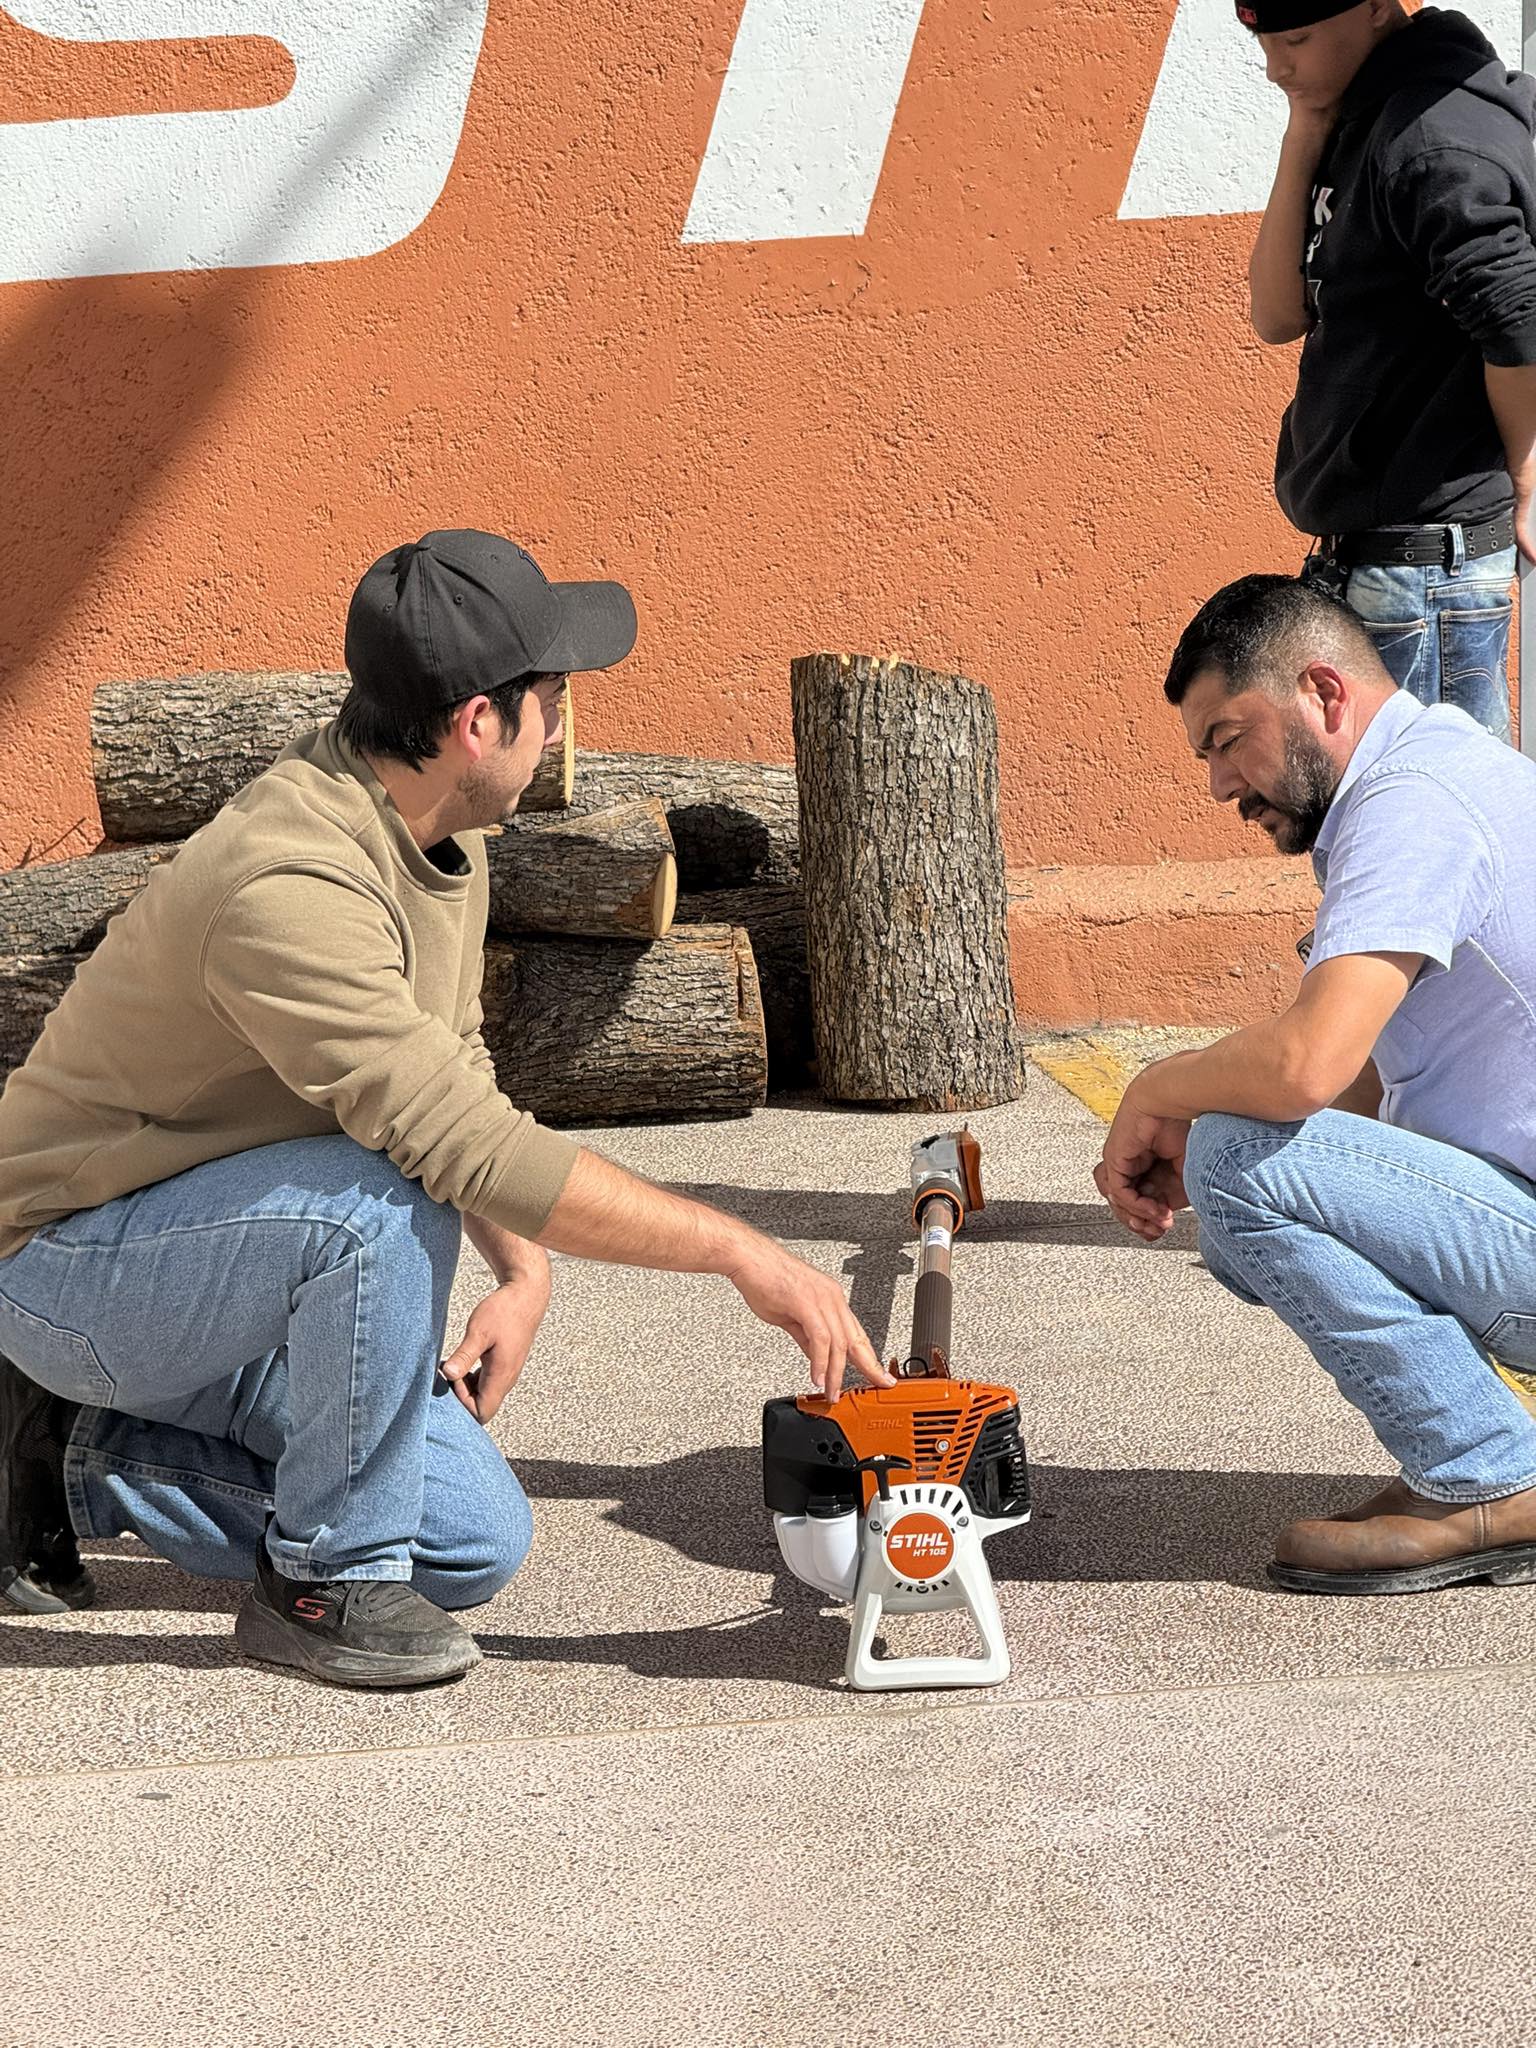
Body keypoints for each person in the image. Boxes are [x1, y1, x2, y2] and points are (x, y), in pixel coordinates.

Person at [0, 529, 888, 1686]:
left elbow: (450, 1063)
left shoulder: (436, 830)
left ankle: (71, 1458)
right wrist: (739, 1252)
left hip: (220, 1261)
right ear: (479, 721)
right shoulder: (289, 885)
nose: (563, 726)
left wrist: (525, 1273)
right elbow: (451, 1143)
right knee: (373, 1210)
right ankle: (321, 1583)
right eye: (551, 699)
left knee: (472, 1540)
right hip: (70, 1266)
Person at [1095, 572, 1536, 1593]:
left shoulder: (1411, 807)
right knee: (1240, 1197)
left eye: (1226, 738)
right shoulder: (1447, 771)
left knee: (1239, 1153)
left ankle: (1487, 1472)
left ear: (1325, 694)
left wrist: (1164, 1085)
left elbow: (1306, 1065)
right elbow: (1372, 1083)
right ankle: (1472, 1457)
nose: (1218, 784)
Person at [1244, 0, 1536, 737]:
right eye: (1264, 41)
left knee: (1432, 833)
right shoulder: (1357, 117)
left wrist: (1531, 476)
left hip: (1424, 575)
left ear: (1375, 7)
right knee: (1389, 826)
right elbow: (1277, 314)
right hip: (1382, 569)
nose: (1278, 66)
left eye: (1297, 39)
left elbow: (1519, 316)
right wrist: (1304, 130)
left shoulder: (1434, 142)